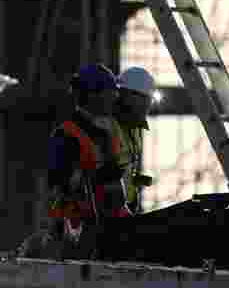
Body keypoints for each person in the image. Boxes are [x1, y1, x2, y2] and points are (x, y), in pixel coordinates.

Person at [18, 64, 126, 258]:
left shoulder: (104, 135)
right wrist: (95, 177)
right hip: (75, 232)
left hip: (105, 226)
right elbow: (59, 184)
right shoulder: (66, 135)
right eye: (110, 94)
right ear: (93, 95)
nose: (114, 99)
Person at [113, 66, 156, 214]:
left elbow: (125, 166)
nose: (147, 105)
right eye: (144, 98)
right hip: (108, 210)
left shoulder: (136, 128)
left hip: (128, 207)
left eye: (149, 99)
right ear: (126, 95)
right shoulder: (108, 126)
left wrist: (136, 180)